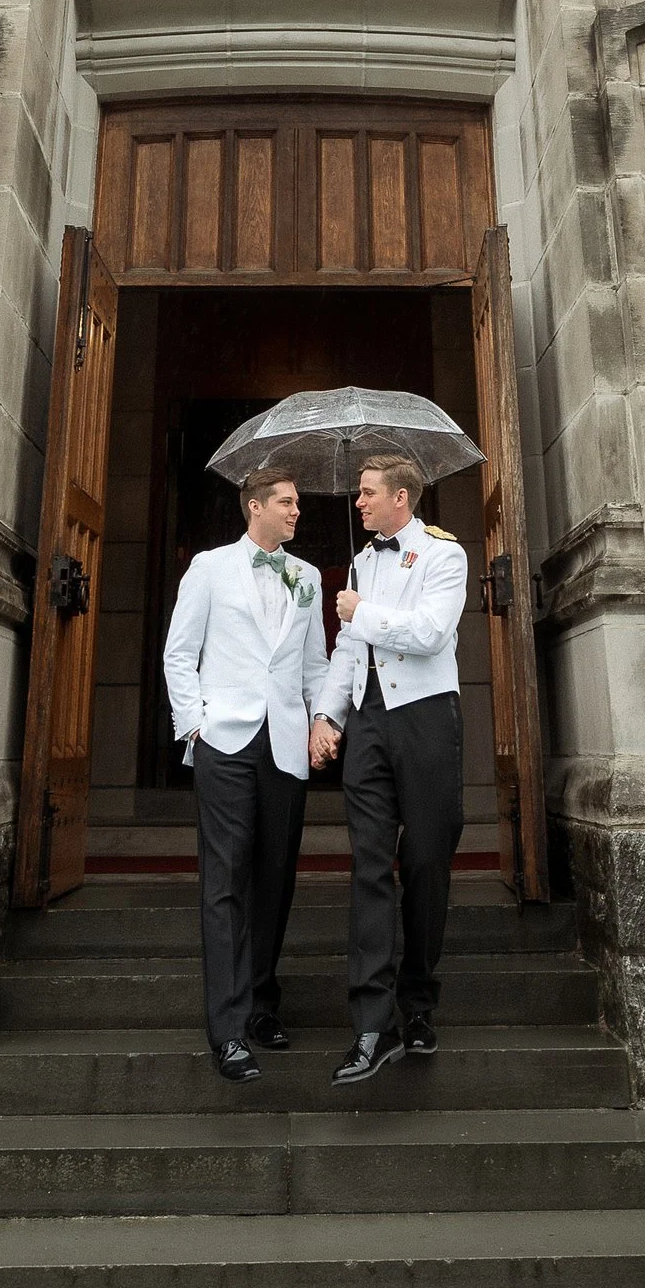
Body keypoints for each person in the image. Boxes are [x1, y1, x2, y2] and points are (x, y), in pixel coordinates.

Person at [162, 462, 333, 1083]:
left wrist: (322, 719)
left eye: (297, 503)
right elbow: (179, 653)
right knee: (225, 882)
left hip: (286, 747)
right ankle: (228, 1028)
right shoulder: (209, 568)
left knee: (275, 879)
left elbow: (315, 662)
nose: (296, 511)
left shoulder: (308, 577)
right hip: (225, 741)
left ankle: (262, 1003)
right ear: (254, 506)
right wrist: (196, 728)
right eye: (286, 502)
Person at [311, 451, 468, 1084]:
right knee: (370, 866)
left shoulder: (443, 554)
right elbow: (347, 651)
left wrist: (360, 612)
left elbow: (430, 633)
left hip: (427, 720)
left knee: (427, 863)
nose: (360, 502)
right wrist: (328, 718)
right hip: (370, 723)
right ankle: (371, 1024)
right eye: (360, 492)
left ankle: (419, 1004)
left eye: (369, 492)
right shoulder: (359, 563)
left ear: (401, 497)